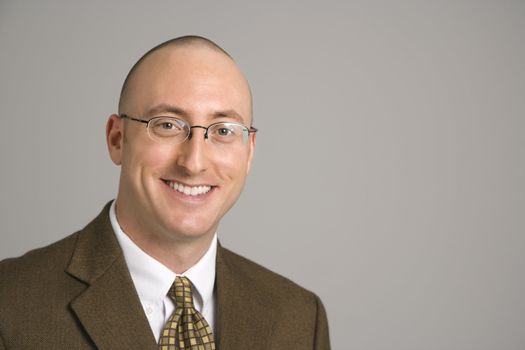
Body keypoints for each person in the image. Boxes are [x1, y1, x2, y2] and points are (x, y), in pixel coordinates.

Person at [0, 36, 330, 350]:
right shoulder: (10, 304)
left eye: (223, 130)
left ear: (249, 153)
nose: (194, 162)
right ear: (117, 139)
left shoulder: (299, 317)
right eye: (168, 124)